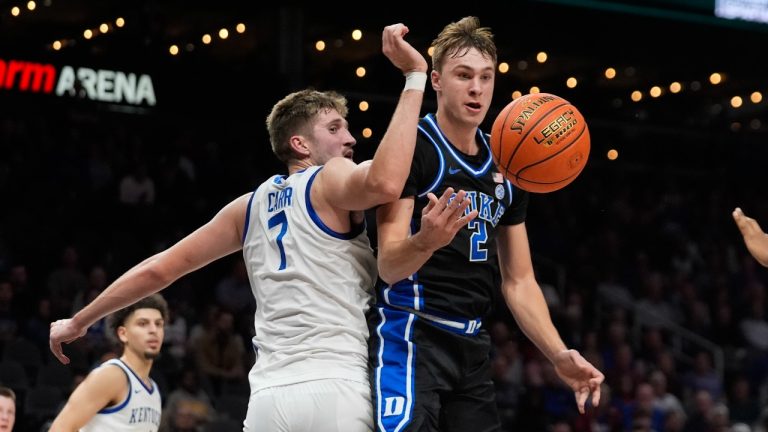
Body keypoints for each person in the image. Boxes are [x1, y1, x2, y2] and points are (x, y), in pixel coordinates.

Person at [50, 23, 429, 432]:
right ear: (299, 144)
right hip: (335, 385)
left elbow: (160, 270)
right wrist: (415, 77)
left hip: (268, 399)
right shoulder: (331, 177)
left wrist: (79, 321)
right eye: (335, 128)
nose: (351, 139)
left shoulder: (247, 207)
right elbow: (388, 181)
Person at [370, 16, 604, 432]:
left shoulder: (510, 162)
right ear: (437, 81)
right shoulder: (415, 148)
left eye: (485, 77)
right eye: (464, 76)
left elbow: (519, 281)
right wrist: (425, 241)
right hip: (411, 333)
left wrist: (557, 353)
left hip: (473, 345)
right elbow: (387, 266)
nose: (477, 88)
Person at [49, 293, 168, 432]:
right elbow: (60, 428)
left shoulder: (153, 389)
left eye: (159, 324)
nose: (153, 330)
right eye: (143, 323)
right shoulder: (112, 375)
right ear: (123, 333)